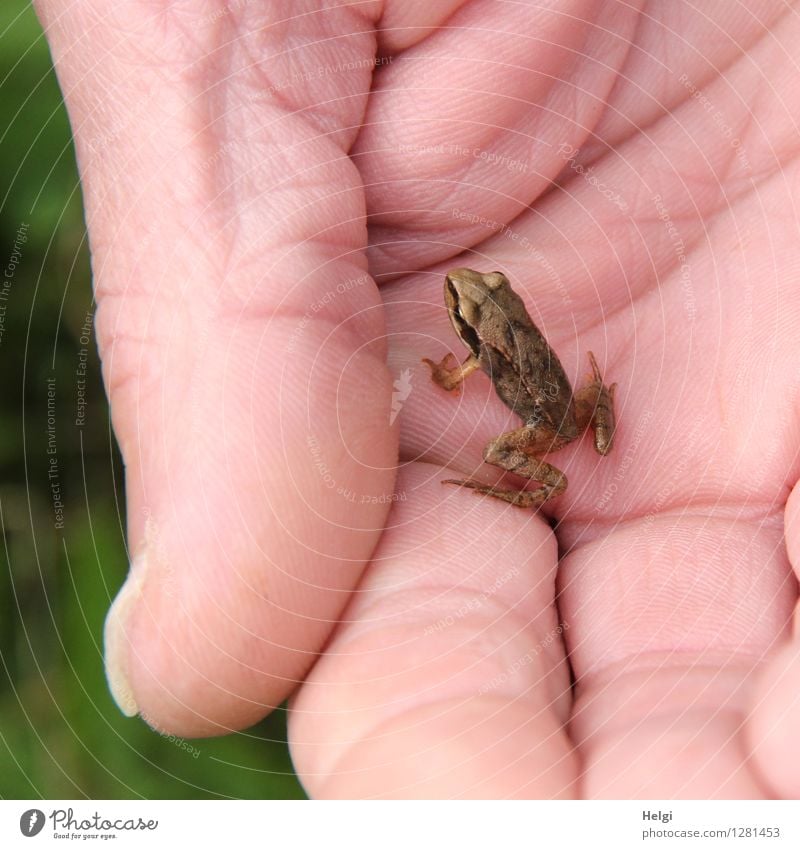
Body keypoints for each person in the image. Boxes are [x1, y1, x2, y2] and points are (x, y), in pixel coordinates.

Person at [35, 0, 800, 798]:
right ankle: (582, 419)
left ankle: (518, 482)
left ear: (485, 319)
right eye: (476, 300)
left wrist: (451, 374)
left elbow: (450, 375)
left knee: (512, 458)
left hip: (543, 421)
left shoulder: (475, 357)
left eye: (475, 301)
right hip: (567, 403)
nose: (470, 294)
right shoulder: (494, 343)